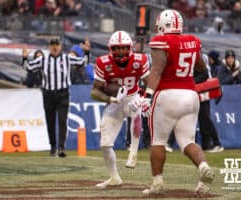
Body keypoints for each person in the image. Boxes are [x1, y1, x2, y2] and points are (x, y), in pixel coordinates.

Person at [131, 9, 214, 197]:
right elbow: (201, 66)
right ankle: (203, 167)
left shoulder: (163, 41)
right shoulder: (192, 40)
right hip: (190, 95)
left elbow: (157, 70)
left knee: (158, 141)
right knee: (188, 142)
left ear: (162, 25)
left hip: (168, 95)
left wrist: (148, 95)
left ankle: (158, 183)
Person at [91, 30, 149, 188]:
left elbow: (150, 83)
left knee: (136, 109)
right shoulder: (103, 62)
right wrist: (111, 98)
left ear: (129, 47)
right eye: (117, 48)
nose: (120, 51)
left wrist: (144, 99)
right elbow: (94, 91)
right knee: (104, 143)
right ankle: (114, 177)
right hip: (115, 102)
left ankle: (133, 152)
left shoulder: (140, 59)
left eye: (123, 48)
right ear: (111, 48)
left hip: (133, 96)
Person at [22, 37, 90, 157]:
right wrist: (25, 57)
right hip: (48, 94)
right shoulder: (43, 60)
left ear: (60, 46)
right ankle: (53, 146)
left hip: (63, 94)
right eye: (52, 44)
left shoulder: (67, 58)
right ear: (49, 47)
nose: (54, 47)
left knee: (63, 121)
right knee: (50, 121)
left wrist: (87, 52)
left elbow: (83, 62)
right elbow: (27, 67)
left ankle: (61, 148)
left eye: (57, 44)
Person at [194, 53, 224, 153]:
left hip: (202, 90)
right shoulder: (199, 56)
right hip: (199, 89)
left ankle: (217, 143)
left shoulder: (201, 57)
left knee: (205, 118)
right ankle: (205, 144)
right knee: (201, 119)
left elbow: (205, 74)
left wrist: (191, 83)